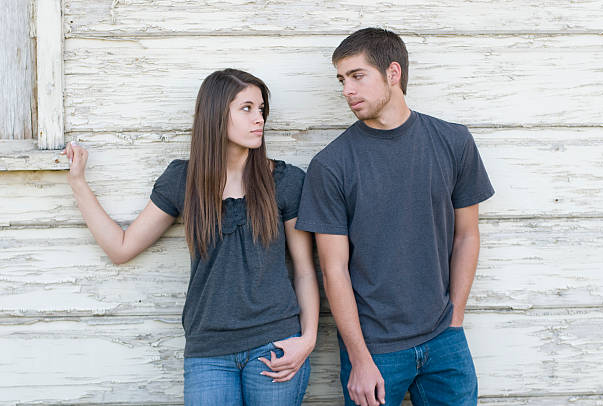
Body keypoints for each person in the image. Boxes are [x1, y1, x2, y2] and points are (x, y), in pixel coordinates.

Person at [62, 68, 319, 406]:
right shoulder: (182, 181)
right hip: (208, 353)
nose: (259, 118)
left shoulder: (285, 181)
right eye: (246, 108)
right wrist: (78, 183)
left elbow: (304, 269)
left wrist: (308, 339)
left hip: (275, 345)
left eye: (261, 109)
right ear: (215, 114)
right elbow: (120, 248)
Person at [296, 28, 495, 406]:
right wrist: (358, 357)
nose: (346, 91)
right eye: (341, 80)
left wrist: (455, 317)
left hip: (444, 338)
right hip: (375, 350)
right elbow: (333, 269)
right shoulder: (332, 165)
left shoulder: (453, 142)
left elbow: (467, 235)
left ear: (392, 73)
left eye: (357, 76)